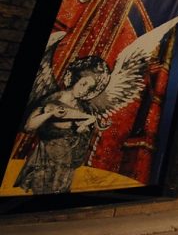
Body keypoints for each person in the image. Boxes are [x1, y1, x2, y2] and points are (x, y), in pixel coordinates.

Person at [15, 56, 109, 194]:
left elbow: (80, 133)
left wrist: (85, 129)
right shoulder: (56, 98)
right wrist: (49, 114)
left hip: (66, 163)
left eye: (89, 88)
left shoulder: (83, 108)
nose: (84, 91)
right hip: (46, 158)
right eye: (83, 84)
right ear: (75, 79)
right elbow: (29, 126)